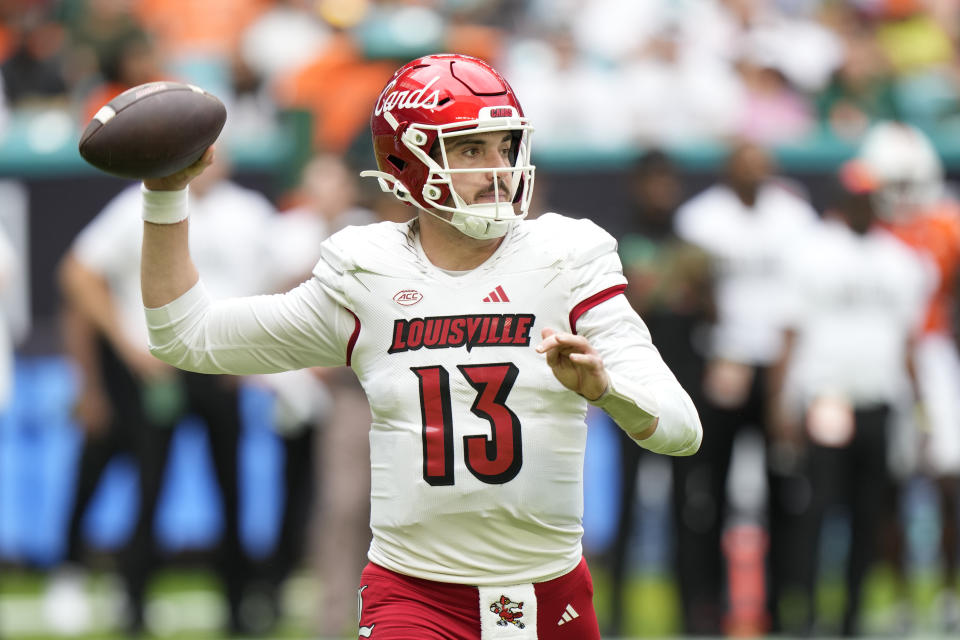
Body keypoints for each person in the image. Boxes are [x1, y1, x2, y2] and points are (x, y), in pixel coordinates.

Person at [137, 53, 702, 639]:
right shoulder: (369, 274)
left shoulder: (567, 258)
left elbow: (683, 429)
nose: (499, 170)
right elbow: (185, 334)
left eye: (505, 146)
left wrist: (607, 391)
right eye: (470, 149)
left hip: (550, 591)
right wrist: (163, 194)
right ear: (405, 162)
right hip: (414, 595)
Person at [48, 153, 276, 636]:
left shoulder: (251, 212)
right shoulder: (141, 203)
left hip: (222, 368)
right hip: (160, 369)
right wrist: (128, 345)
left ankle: (238, 606)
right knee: (150, 485)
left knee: (231, 488)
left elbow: (276, 283)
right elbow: (77, 273)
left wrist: (256, 353)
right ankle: (133, 603)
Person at [770, 160, 932, 636]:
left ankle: (851, 618)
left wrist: (921, 411)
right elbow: (790, 334)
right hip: (827, 399)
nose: (863, 205)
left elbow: (909, 345)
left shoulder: (901, 260)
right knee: (817, 511)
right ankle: (807, 614)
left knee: (869, 515)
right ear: (841, 198)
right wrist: (782, 401)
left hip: (879, 400)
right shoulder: (811, 252)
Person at [672, 141, 819, 634]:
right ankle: (707, 606)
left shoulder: (795, 216)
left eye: (761, 166)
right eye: (745, 166)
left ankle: (783, 607)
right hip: (724, 362)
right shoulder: (701, 218)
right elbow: (695, 295)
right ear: (727, 170)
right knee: (708, 489)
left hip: (779, 364)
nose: (755, 175)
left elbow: (804, 298)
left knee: (786, 492)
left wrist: (790, 379)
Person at [858, 120, 960, 633]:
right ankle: (897, 595)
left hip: (935, 353)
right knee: (890, 481)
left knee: (949, 474)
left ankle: (947, 592)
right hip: (883, 357)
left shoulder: (946, 224)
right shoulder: (869, 231)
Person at [609, 149, 714, 637]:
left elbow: (713, 314)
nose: (660, 192)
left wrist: (701, 289)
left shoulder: (692, 249)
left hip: (683, 391)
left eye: (666, 182)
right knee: (627, 505)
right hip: (631, 393)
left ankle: (690, 615)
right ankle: (614, 615)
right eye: (652, 182)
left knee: (687, 509)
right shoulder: (614, 248)